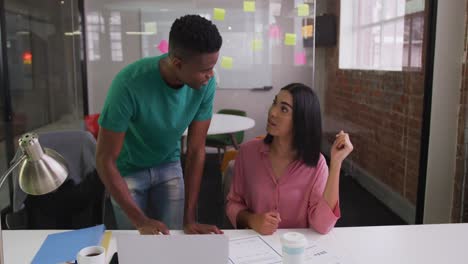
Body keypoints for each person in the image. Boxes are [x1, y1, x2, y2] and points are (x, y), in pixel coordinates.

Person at [96, 14, 223, 235]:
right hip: (128, 170)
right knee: (136, 245)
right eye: (205, 70)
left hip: (168, 164)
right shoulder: (128, 84)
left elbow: (196, 150)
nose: (210, 76)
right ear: (177, 63)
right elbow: (104, 159)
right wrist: (139, 220)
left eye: (213, 67)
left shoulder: (205, 84)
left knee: (171, 241)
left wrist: (190, 219)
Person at [226, 83, 353, 235]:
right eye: (275, 103)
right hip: (257, 246)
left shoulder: (316, 164)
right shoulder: (247, 153)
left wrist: (336, 163)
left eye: (284, 109)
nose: (272, 112)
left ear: (302, 119)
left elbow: (322, 225)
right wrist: (252, 220)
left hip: (296, 251)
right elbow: (233, 204)